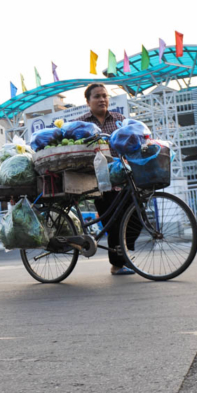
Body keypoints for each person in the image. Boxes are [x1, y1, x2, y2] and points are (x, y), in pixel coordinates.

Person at [75, 83, 141, 275]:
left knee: (137, 216)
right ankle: (118, 263)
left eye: (104, 96)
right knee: (114, 222)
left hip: (124, 179)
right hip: (99, 182)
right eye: (97, 96)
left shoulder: (120, 119)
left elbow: (132, 142)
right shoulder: (82, 124)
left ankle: (124, 253)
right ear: (88, 101)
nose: (102, 99)